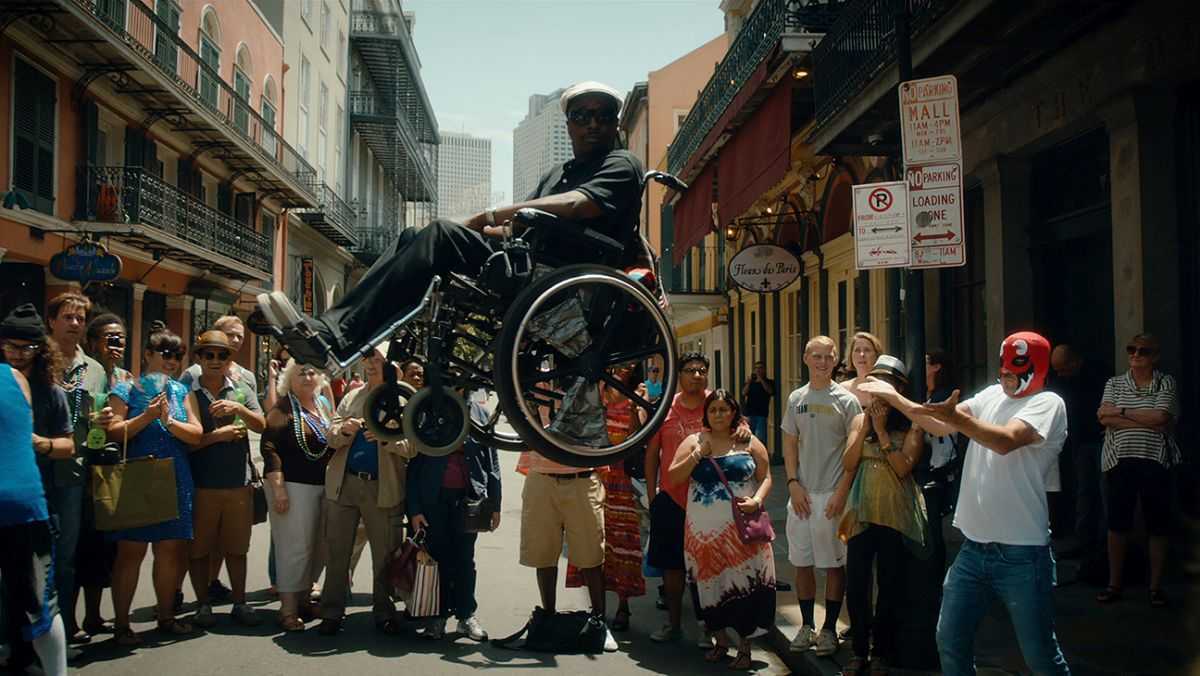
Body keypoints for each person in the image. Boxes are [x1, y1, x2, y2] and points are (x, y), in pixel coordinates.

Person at [253, 81, 647, 375]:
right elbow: (521, 229)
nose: (593, 123)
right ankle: (336, 338)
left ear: (615, 124)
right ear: (568, 124)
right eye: (582, 116)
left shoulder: (621, 163)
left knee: (440, 234)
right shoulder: (555, 174)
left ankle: (334, 338)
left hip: (569, 280)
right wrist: (480, 230)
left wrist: (488, 216)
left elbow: (579, 204)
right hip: (528, 265)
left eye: (603, 115)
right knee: (415, 236)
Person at [860, 331, 1070, 675]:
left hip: (1022, 553)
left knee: (1040, 655)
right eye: (1003, 373)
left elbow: (1005, 441)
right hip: (974, 550)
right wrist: (895, 398)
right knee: (950, 642)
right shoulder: (991, 394)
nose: (1006, 380)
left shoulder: (1047, 404)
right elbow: (936, 424)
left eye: (1014, 374)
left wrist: (954, 418)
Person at [644, 353, 752, 646]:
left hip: (709, 501)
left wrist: (743, 429)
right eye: (690, 370)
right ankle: (674, 624)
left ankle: (710, 628)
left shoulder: (717, 405)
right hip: (671, 498)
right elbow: (652, 454)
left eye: (702, 370)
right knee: (673, 566)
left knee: (708, 566)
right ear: (679, 375)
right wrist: (653, 496)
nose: (696, 375)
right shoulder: (664, 407)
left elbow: (742, 432)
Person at [105, 326, 204, 645]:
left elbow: (197, 433)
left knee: (170, 550)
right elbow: (114, 432)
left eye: (177, 356)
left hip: (176, 475)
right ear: (147, 354)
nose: (172, 361)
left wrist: (170, 422)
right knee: (130, 552)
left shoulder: (180, 391)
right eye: (165, 354)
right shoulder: (127, 389)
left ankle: (165, 616)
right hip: (138, 475)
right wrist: (147, 417)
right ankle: (122, 624)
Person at [668, 389, 775, 671]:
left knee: (742, 584)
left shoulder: (748, 440)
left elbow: (766, 477)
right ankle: (720, 640)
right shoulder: (695, 441)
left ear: (734, 413)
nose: (718, 414)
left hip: (742, 533)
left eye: (724, 410)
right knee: (708, 586)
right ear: (706, 414)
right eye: (713, 409)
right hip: (701, 534)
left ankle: (745, 646)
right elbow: (673, 477)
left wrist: (757, 500)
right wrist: (697, 455)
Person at [838, 356, 929, 676]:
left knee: (890, 584)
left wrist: (882, 431)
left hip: (895, 512)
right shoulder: (859, 420)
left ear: (899, 389)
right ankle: (859, 649)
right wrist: (866, 426)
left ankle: (883, 652)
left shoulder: (913, 423)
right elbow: (849, 463)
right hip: (862, 511)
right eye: (873, 384)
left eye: (885, 384)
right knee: (858, 584)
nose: (877, 391)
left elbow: (904, 467)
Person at [319, 345, 414, 636]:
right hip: (344, 483)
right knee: (337, 552)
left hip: (383, 487)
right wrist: (344, 430)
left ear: (391, 365)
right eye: (367, 359)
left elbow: (416, 446)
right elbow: (330, 436)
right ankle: (331, 613)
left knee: (384, 554)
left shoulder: (405, 397)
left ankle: (384, 612)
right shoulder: (352, 395)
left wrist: (388, 440)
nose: (371, 365)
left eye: (377, 359)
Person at [1, 305, 75, 669]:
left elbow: (69, 445)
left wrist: (38, 442)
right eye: (9, 345)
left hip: (38, 503)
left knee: (40, 601)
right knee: (13, 600)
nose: (16, 353)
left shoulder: (51, 392)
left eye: (25, 347)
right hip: (13, 504)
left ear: (39, 349)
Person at [783, 336, 862, 656]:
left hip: (833, 496)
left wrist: (842, 492)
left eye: (827, 356)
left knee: (833, 564)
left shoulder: (847, 401)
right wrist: (791, 482)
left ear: (835, 360)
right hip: (801, 495)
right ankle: (806, 625)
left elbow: (854, 453)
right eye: (815, 356)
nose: (821, 362)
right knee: (801, 563)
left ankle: (828, 629)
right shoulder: (795, 398)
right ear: (805, 358)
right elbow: (790, 442)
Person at [184, 331, 266, 628]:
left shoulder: (241, 390)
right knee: (200, 550)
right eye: (209, 355)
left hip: (237, 483)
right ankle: (202, 605)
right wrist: (217, 436)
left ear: (230, 359)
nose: (216, 360)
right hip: (203, 484)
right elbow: (187, 443)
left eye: (222, 355)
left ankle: (240, 603)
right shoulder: (189, 393)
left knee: (237, 549)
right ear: (199, 358)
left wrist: (239, 408)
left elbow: (262, 424)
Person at [407, 393, 502, 641]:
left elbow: (491, 459)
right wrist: (414, 508)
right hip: (434, 498)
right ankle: (437, 618)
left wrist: (495, 503)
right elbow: (415, 463)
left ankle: (466, 616)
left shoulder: (479, 412)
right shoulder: (429, 408)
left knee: (464, 560)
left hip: (469, 499)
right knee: (438, 558)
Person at [1096, 333, 1178, 608]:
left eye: (1143, 351)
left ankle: (1155, 587)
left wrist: (1120, 412)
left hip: (1155, 460)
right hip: (1120, 460)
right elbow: (1103, 417)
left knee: (1158, 524)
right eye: (1132, 349)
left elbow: (1162, 417)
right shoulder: (1114, 383)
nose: (1136, 355)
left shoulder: (1165, 382)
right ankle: (1114, 583)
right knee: (1117, 524)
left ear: (1154, 356)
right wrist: (1144, 419)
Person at [565, 363, 648, 631]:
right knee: (591, 540)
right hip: (593, 476)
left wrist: (636, 409)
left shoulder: (639, 393)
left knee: (621, 542)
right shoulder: (595, 390)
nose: (624, 368)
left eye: (630, 365)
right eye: (620, 364)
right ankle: (596, 607)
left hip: (621, 480)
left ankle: (623, 606)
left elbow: (639, 435)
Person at [44, 293, 105, 643]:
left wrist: (105, 419)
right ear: (52, 321)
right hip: (35, 471)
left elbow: (100, 422)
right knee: (23, 554)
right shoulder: (35, 362)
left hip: (75, 473)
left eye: (80, 318)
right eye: (67, 317)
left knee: (65, 558)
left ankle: (63, 629)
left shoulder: (94, 370)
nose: (75, 324)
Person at [261, 360, 334, 631]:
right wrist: (278, 488)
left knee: (317, 547)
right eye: (300, 372)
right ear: (289, 379)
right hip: (292, 486)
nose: (307, 376)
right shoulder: (282, 409)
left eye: (312, 371)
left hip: (322, 486)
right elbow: (269, 449)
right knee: (294, 548)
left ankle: (303, 599)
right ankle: (288, 610)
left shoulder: (323, 406)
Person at [73, 314, 132, 639]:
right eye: (109, 339)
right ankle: (70, 619)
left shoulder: (126, 378)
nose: (115, 345)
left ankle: (94, 616)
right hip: (83, 467)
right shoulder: (83, 376)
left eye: (120, 339)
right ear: (93, 342)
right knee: (80, 545)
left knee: (106, 546)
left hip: (115, 469)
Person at [1048, 344, 1108, 563]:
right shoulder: (1061, 382)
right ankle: (1084, 543)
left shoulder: (1098, 376)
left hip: (1100, 439)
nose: (1060, 374)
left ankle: (1103, 547)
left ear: (1075, 362)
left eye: (1063, 369)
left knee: (1103, 494)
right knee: (1083, 492)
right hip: (1078, 441)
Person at [841, 332, 885, 408]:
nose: (862, 354)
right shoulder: (842, 389)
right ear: (851, 355)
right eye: (857, 350)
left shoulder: (885, 387)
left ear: (877, 355)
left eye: (867, 350)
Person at [742, 361, 776, 444]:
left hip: (761, 414)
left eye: (760, 368)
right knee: (749, 438)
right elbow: (743, 392)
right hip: (749, 414)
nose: (758, 370)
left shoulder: (769, 382)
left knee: (759, 439)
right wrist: (749, 382)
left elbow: (770, 391)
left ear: (764, 370)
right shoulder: (751, 383)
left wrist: (761, 379)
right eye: (756, 368)